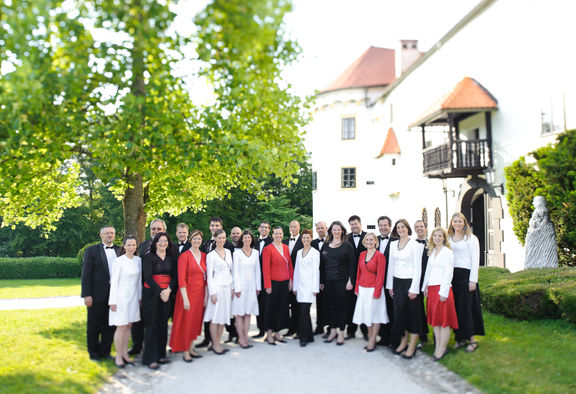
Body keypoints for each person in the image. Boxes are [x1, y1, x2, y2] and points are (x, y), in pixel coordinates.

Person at [385, 219, 425, 359]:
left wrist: (414, 289)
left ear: (408, 228)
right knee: (400, 316)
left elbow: (418, 268)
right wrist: (390, 286)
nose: (401, 229)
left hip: (410, 284)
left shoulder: (415, 245)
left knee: (413, 316)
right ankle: (403, 343)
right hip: (397, 283)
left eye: (403, 227)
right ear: (396, 230)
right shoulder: (393, 244)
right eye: (399, 227)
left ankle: (412, 346)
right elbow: (391, 266)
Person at [81, 225, 122, 361]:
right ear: (101, 235)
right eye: (106, 233)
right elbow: (86, 274)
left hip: (114, 296)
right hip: (96, 295)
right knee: (94, 326)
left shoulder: (119, 250)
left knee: (110, 326)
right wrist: (87, 295)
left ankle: (105, 352)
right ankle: (94, 354)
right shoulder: (91, 251)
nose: (109, 235)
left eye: (112, 233)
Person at [448, 212, 485, 353]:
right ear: (452, 223)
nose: (457, 224)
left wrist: (472, 280)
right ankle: (460, 338)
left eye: (460, 221)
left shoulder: (471, 239)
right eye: (455, 221)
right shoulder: (449, 238)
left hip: (466, 276)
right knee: (456, 309)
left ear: (464, 223)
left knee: (467, 309)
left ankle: (472, 340)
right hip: (452, 276)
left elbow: (475, 260)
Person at [129, 218, 167, 356]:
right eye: (153, 229)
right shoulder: (143, 245)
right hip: (142, 287)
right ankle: (137, 346)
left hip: (161, 290)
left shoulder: (168, 246)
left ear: (164, 231)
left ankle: (157, 350)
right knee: (138, 320)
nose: (156, 231)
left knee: (157, 322)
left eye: (159, 229)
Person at [421, 227, 459, 361]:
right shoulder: (432, 252)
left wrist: (444, 292)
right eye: (435, 236)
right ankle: (437, 347)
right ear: (432, 238)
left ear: (444, 238)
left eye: (440, 236)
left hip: (443, 290)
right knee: (435, 322)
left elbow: (449, 273)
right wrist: (425, 286)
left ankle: (442, 350)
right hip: (431, 289)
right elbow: (428, 271)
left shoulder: (447, 252)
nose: (437, 238)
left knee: (444, 322)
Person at [170, 230, 207, 362]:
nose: (197, 241)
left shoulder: (204, 256)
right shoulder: (184, 256)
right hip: (187, 293)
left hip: (200, 293)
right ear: (190, 240)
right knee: (186, 322)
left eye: (199, 239)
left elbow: (206, 278)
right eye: (194, 239)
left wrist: (206, 296)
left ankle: (191, 347)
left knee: (195, 322)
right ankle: (185, 350)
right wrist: (185, 298)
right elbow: (181, 279)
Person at [141, 232, 177, 369]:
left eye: (165, 241)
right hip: (151, 294)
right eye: (160, 241)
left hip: (167, 294)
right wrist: (160, 292)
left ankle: (161, 355)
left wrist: (168, 291)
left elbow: (175, 277)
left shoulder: (171, 258)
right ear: (155, 243)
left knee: (163, 325)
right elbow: (148, 278)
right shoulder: (148, 257)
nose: (163, 243)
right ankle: (150, 358)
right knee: (152, 325)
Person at [200, 217, 236, 347]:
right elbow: (209, 275)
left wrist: (232, 288)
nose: (221, 240)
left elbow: (231, 270)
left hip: (227, 288)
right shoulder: (208, 249)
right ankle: (211, 342)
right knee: (213, 316)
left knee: (223, 316)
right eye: (213, 225)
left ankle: (219, 342)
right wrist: (211, 293)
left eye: (223, 237)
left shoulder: (229, 249)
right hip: (215, 287)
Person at [320, 221, 355, 346]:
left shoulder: (347, 245)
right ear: (330, 231)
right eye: (334, 229)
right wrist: (321, 281)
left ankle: (341, 332)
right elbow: (322, 266)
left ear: (342, 231)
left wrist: (351, 281)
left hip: (342, 281)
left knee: (342, 307)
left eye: (338, 229)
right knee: (331, 306)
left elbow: (352, 264)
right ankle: (333, 330)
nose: (336, 231)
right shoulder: (325, 246)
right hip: (328, 282)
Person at [109, 236, 142, 368]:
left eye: (133, 245)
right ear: (124, 246)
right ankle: (118, 356)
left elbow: (139, 281)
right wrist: (113, 301)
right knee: (121, 326)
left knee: (129, 326)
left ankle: (125, 354)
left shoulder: (138, 260)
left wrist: (139, 298)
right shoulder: (119, 261)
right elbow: (114, 282)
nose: (131, 247)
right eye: (128, 245)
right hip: (121, 298)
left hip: (133, 298)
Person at [352, 233, 388, 352]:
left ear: (375, 241)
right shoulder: (362, 254)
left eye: (371, 240)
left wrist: (377, 292)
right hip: (363, 289)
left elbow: (381, 276)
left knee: (376, 315)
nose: (369, 241)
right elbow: (359, 272)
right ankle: (371, 337)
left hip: (374, 290)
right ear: (364, 242)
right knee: (367, 315)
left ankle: (372, 340)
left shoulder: (380, 256)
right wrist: (356, 287)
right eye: (367, 240)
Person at [262, 226, 293, 345]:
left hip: (284, 282)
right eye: (276, 233)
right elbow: (265, 268)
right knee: (271, 308)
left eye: (280, 233)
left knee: (281, 308)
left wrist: (291, 279)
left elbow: (289, 264)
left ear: (283, 234)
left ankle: (277, 332)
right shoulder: (268, 249)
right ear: (273, 235)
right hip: (273, 283)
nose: (278, 235)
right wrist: (268, 285)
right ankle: (269, 334)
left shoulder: (286, 248)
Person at [232, 230, 261, 348]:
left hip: (251, 287)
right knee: (239, 314)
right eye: (245, 238)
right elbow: (235, 272)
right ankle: (241, 338)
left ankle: (245, 336)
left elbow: (257, 271)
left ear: (251, 239)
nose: (247, 239)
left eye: (249, 237)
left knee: (248, 313)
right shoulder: (237, 254)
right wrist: (237, 288)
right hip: (240, 287)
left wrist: (258, 287)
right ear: (242, 240)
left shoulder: (255, 253)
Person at [292, 229, 320, 347]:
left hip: (310, 287)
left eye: (308, 237)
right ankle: (309, 335)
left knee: (304, 311)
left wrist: (315, 288)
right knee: (303, 312)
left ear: (311, 238)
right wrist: (295, 286)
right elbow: (296, 270)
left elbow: (316, 271)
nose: (306, 239)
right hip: (300, 286)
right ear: (301, 239)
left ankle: (303, 337)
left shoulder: (315, 253)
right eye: (304, 238)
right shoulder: (299, 252)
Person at [346, 215, 367, 340]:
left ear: (360, 223)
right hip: (350, 276)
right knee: (350, 305)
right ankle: (351, 330)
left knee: (364, 304)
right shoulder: (346, 238)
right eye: (352, 224)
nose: (354, 226)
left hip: (365, 276)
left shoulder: (368, 237)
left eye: (356, 223)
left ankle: (365, 331)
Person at [377, 215, 396, 347]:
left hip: (391, 282)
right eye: (381, 225)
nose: (383, 227)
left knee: (391, 309)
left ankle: (393, 337)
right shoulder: (374, 240)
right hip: (376, 281)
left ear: (390, 226)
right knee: (380, 309)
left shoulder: (396, 241)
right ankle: (383, 337)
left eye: (385, 225)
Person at [254, 221, 273, 339]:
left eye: (266, 227)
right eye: (262, 227)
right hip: (256, 278)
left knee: (268, 305)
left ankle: (268, 330)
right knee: (258, 305)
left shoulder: (272, 242)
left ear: (269, 230)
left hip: (268, 278)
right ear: (258, 228)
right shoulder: (254, 241)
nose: (263, 229)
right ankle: (260, 329)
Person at [283, 220, 303, 336]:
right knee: (289, 305)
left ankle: (300, 329)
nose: (293, 228)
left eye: (295, 226)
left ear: (299, 227)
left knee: (298, 305)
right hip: (286, 278)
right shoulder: (284, 242)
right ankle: (291, 328)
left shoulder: (304, 241)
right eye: (291, 226)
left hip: (299, 278)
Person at [311, 221, 328, 337]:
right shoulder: (313, 243)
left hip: (330, 278)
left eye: (322, 228)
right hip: (317, 278)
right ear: (316, 230)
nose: (320, 230)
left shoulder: (332, 242)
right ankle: (320, 326)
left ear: (326, 228)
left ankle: (332, 327)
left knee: (331, 304)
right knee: (319, 303)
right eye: (318, 228)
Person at [414, 219, 430, 347]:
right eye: (417, 227)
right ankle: (422, 337)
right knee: (418, 310)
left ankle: (438, 338)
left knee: (433, 309)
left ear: (425, 228)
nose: (419, 228)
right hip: (416, 281)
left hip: (431, 280)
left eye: (421, 226)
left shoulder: (433, 243)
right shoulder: (412, 244)